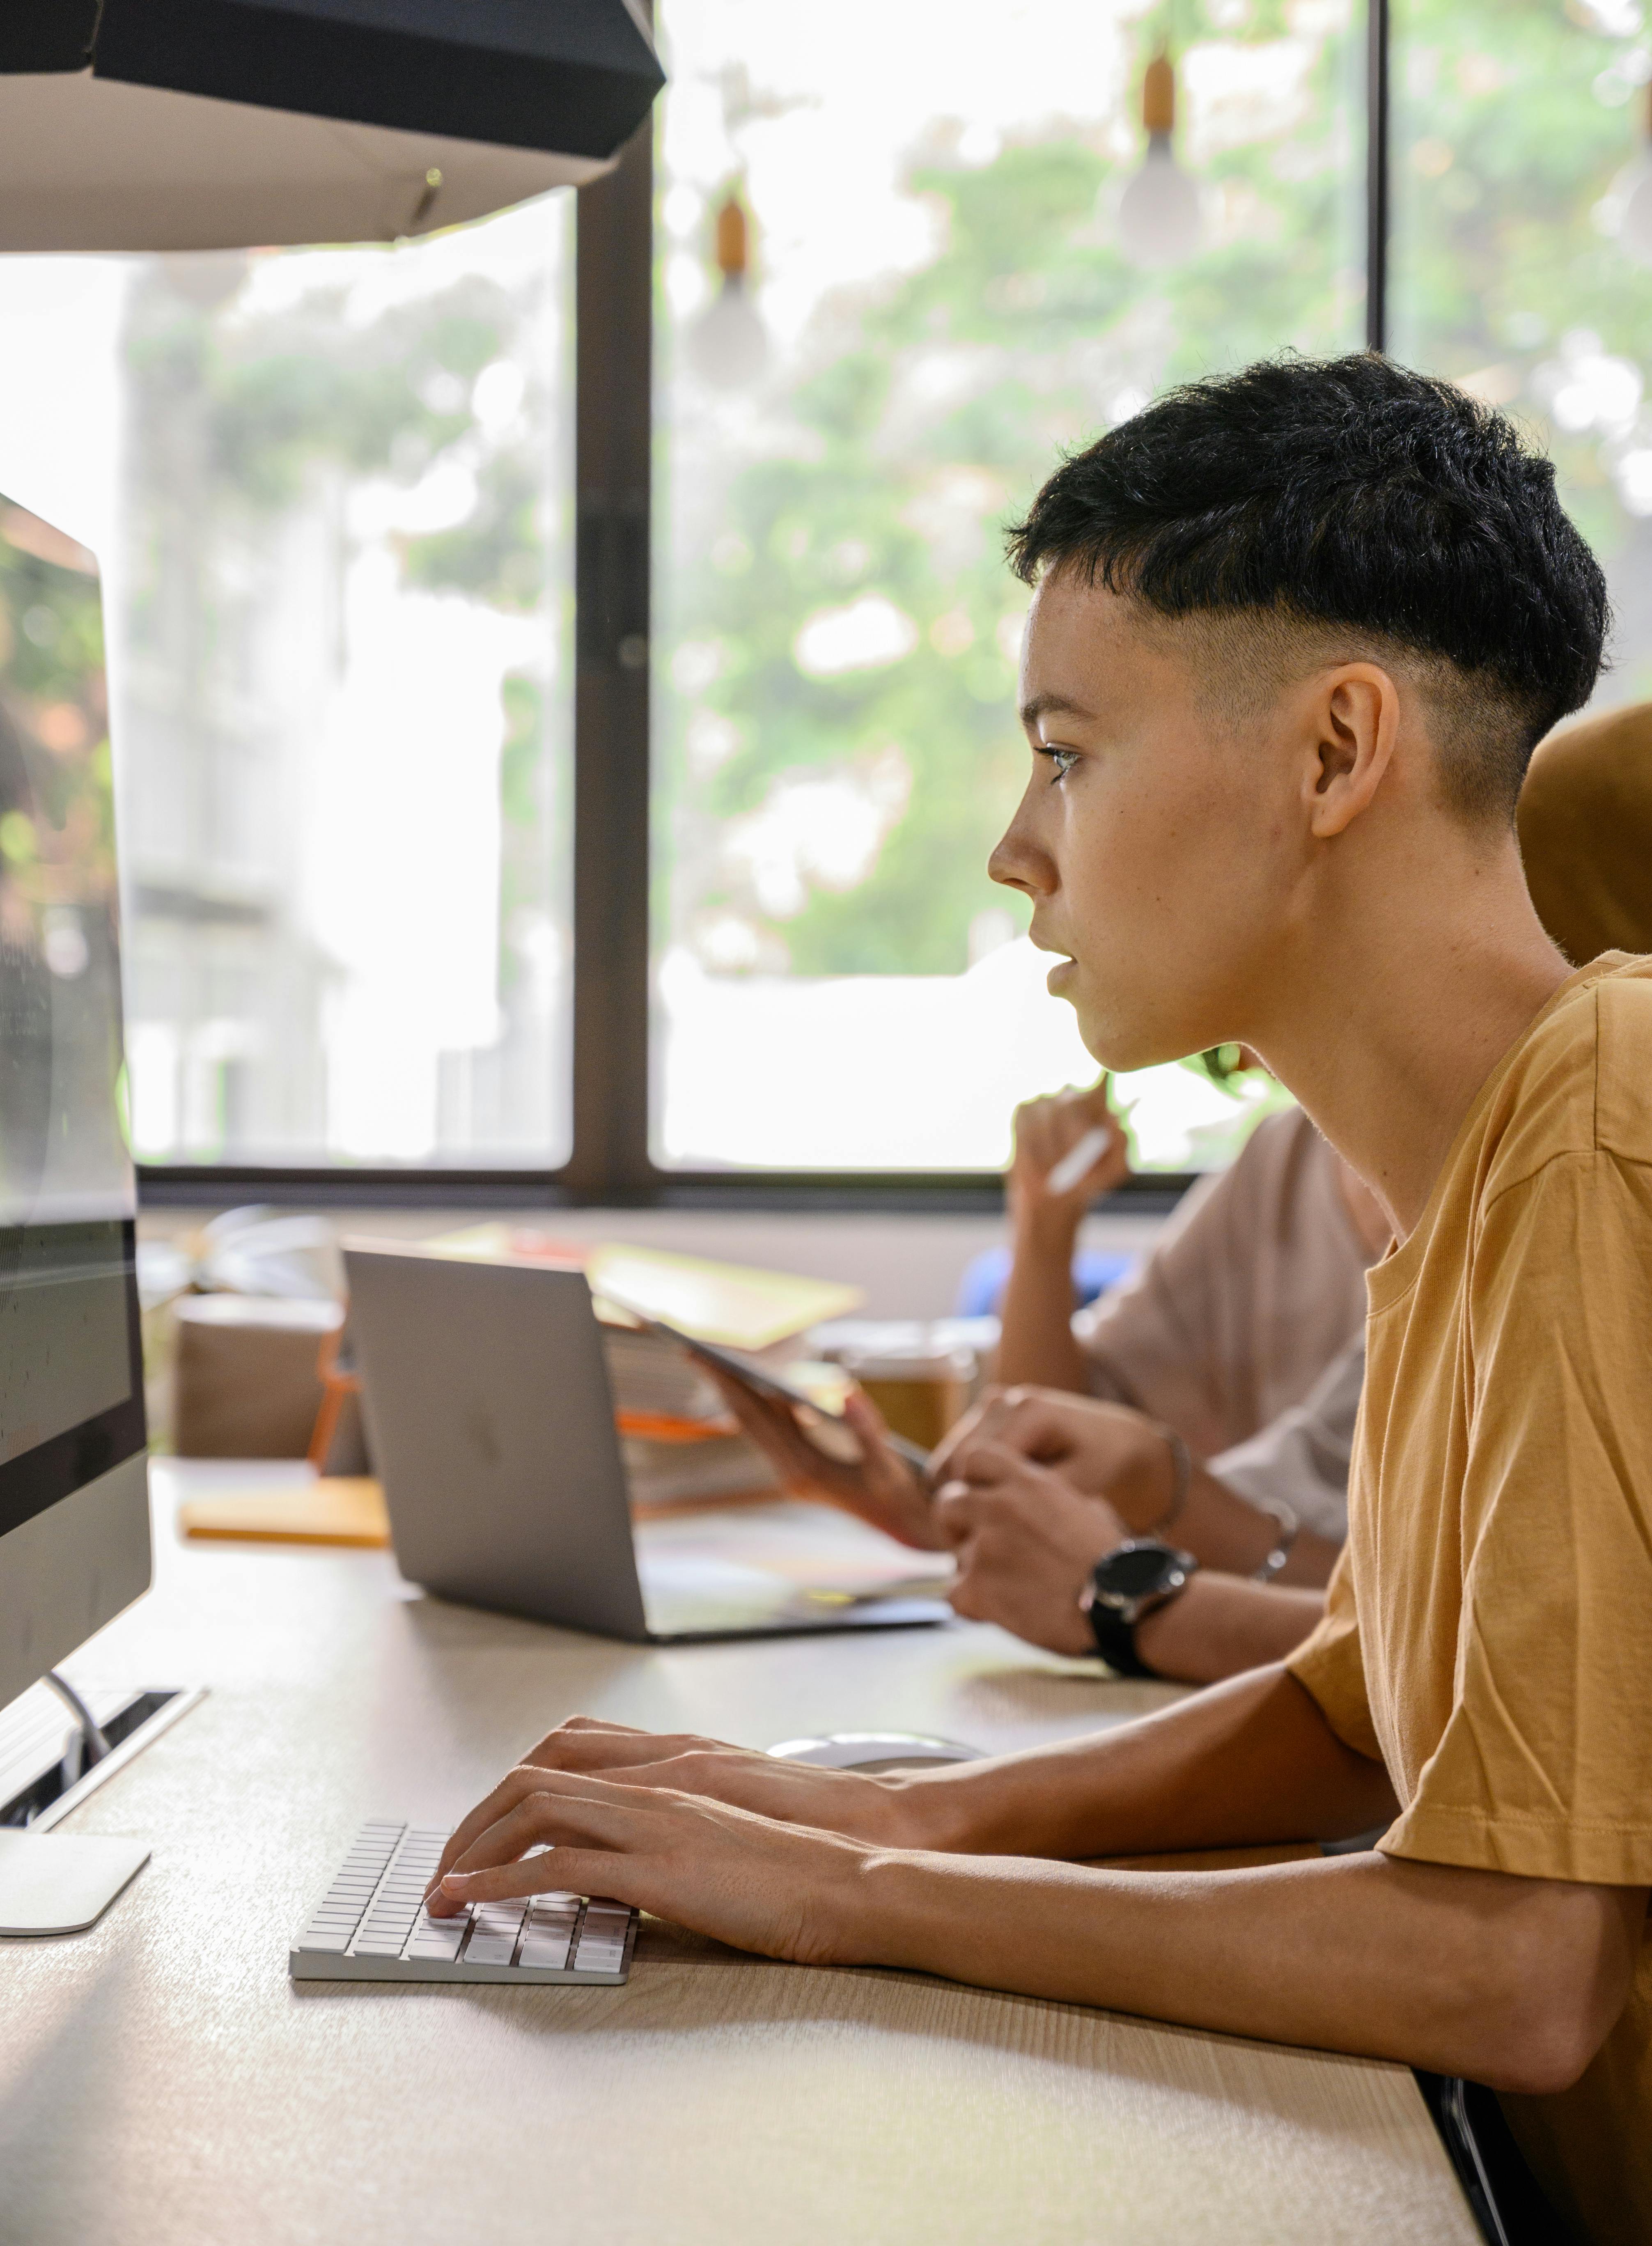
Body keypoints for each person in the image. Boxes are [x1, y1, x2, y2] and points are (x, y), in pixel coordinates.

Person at [427, 356, 1651, 2244]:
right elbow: (1345, 1711)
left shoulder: (1599, 1128)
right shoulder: (1465, 1172)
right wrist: (871, 1812)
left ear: (1335, 754)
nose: (1019, 845)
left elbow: (1514, 1969)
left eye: (1067, 752)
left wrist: (847, 1902)